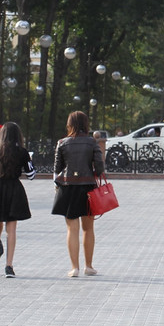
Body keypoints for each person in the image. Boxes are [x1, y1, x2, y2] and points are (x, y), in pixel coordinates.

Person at [51, 110, 105, 278]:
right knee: (88, 229)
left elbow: (57, 169)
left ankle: (74, 268)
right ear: (85, 124)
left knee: (71, 229)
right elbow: (100, 168)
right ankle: (88, 266)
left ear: (70, 124)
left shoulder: (62, 142)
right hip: (87, 188)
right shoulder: (91, 142)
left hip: (68, 187)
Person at [0, 121, 36, 278]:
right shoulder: (22, 152)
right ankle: (9, 266)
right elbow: (31, 175)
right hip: (14, 190)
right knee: (11, 230)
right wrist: (30, 161)